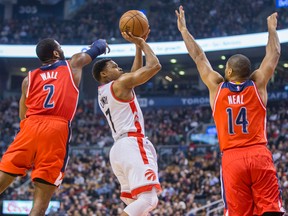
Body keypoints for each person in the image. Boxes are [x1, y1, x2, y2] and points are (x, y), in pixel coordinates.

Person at [176, 5, 285, 216]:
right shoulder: (257, 84)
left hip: (232, 158)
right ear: (249, 72)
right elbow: (275, 53)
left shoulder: (217, 87)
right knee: (271, 210)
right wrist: (271, 29)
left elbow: (199, 57)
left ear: (228, 71)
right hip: (258, 153)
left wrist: (184, 31)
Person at [0, 38, 108, 215]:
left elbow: (22, 114)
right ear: (56, 53)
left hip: (30, 126)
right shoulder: (71, 65)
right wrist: (101, 43)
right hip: (55, 127)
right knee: (40, 203)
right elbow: (96, 49)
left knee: (4, 175)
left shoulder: (28, 78)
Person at [92, 31, 162, 216]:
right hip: (132, 143)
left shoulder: (105, 90)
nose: (120, 69)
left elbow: (133, 74)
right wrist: (141, 42)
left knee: (139, 209)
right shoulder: (120, 84)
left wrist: (138, 47)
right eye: (114, 66)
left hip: (118, 150)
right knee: (148, 199)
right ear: (104, 73)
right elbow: (155, 65)